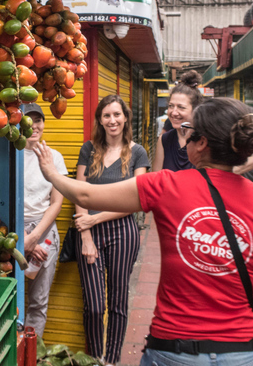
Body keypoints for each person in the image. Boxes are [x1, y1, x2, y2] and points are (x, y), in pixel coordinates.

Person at [36, 97, 253, 366]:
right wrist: (231, 262)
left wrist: (52, 174)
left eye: (189, 133)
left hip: (175, 349)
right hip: (244, 351)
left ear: (202, 144)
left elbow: (87, 195)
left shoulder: (167, 185)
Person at [74, 95, 149, 365]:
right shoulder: (89, 149)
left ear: (125, 117)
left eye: (116, 114)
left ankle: (112, 360)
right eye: (106, 116)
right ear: (100, 120)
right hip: (89, 234)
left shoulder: (138, 152)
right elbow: (79, 193)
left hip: (123, 232)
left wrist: (94, 220)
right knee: (94, 306)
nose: (112, 120)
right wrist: (85, 235)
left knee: (118, 302)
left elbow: (137, 200)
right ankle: (94, 359)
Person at [0, 102, 66, 338]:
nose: (34, 125)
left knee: (39, 301)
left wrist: (34, 238)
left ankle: (31, 354)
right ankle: (10, 349)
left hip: (44, 233)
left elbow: (56, 203)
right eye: (28, 120)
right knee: (8, 296)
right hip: (12, 232)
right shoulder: (5, 154)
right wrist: (21, 239)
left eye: (39, 120)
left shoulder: (54, 157)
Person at [151, 71, 203, 172]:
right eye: (171, 106)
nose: (174, 113)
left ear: (195, 109)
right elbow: (156, 179)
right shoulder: (164, 140)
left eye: (181, 107)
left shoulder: (206, 140)